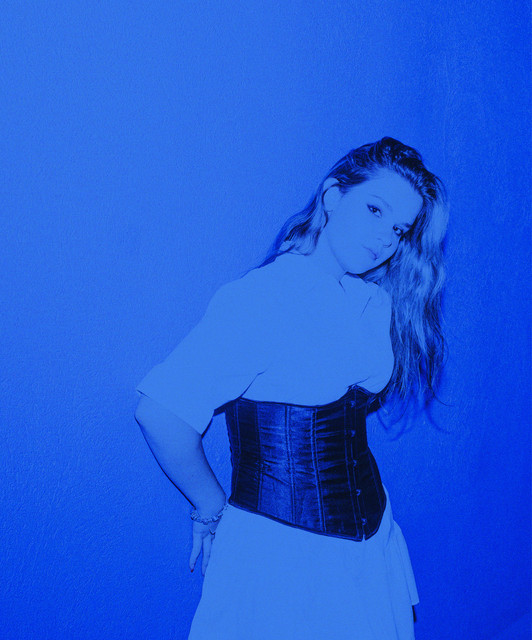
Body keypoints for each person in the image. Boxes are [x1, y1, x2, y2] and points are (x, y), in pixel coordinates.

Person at [134, 136, 449, 639]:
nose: (385, 238)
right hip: (282, 558)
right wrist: (210, 508)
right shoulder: (262, 299)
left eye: (398, 229)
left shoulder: (372, 303)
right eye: (374, 209)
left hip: (372, 547)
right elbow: (161, 411)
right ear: (332, 196)